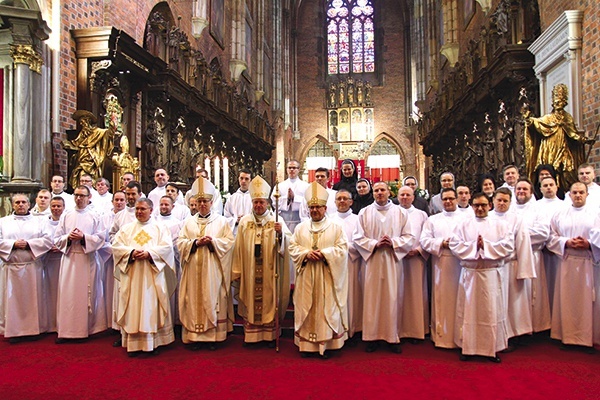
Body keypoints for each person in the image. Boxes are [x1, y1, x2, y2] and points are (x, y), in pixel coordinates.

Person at [449, 192, 515, 363]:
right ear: (471, 206)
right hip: (470, 274)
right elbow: (454, 244)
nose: (480, 208)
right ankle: (467, 347)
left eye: (483, 205)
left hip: (490, 274)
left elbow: (508, 245)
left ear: (490, 205)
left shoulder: (501, 225)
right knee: (468, 313)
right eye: (476, 205)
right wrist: (473, 247)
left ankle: (491, 348)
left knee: (491, 312)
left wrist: (485, 246)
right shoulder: (463, 224)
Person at [289, 181, 348, 358]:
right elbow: (293, 247)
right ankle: (306, 346)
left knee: (326, 308)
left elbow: (342, 249)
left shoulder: (336, 227)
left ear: (325, 208)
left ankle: (327, 344)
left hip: (326, 276)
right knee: (306, 305)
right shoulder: (301, 228)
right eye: (311, 207)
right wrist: (306, 254)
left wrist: (325, 254)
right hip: (307, 276)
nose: (314, 210)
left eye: (318, 207)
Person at [354, 181, 414, 354]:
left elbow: (409, 236)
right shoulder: (364, 213)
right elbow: (357, 237)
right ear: (373, 193)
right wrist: (374, 244)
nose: (379, 193)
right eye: (376, 190)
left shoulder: (401, 213)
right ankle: (371, 337)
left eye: (382, 190)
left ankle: (392, 337)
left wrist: (393, 242)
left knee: (393, 297)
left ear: (389, 192)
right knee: (371, 298)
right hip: (372, 261)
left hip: (392, 261)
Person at [231, 176, 291, 346]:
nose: (258, 206)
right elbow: (239, 247)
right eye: (255, 202)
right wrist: (237, 270)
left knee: (270, 299)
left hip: (270, 271)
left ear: (267, 203)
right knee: (250, 298)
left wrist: (281, 235)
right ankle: (252, 336)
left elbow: (289, 243)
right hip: (250, 270)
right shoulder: (245, 222)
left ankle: (270, 336)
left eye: (261, 202)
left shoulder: (276, 221)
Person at [112, 198, 176, 356]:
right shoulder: (126, 229)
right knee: (132, 305)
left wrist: (150, 254)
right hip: (132, 274)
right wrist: (131, 253)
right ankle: (133, 344)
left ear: (151, 210)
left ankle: (153, 342)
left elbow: (167, 248)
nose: (139, 212)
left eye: (143, 209)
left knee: (150, 306)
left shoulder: (160, 228)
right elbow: (117, 247)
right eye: (137, 209)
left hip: (152, 275)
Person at [177, 176, 235, 350]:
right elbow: (180, 243)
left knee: (213, 298)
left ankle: (213, 337)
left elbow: (229, 242)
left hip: (213, 269)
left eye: (206, 201)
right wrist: (194, 243)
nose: (202, 204)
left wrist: (213, 243)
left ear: (212, 202)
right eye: (200, 201)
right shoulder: (188, 223)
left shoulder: (221, 222)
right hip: (193, 268)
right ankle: (194, 336)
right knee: (193, 299)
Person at [546, 182, 600, 353]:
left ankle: (588, 338)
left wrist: (590, 244)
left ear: (587, 194)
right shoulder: (560, 214)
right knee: (567, 300)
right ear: (569, 195)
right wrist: (566, 242)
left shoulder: (596, 214)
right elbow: (551, 237)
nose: (578, 195)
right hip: (567, 262)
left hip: (588, 263)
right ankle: (567, 337)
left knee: (588, 302)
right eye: (575, 192)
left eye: (581, 192)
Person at [54, 185, 107, 342]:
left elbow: (101, 238)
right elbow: (57, 238)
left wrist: (84, 237)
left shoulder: (95, 216)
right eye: (76, 195)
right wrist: (68, 238)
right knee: (67, 295)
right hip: (70, 259)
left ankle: (86, 330)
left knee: (86, 295)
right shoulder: (66, 215)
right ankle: (66, 331)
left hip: (87, 259)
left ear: (89, 197)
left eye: (82, 195)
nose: (79, 198)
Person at [0, 194, 53, 342]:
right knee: (13, 301)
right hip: (11, 269)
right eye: (17, 202)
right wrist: (13, 245)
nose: (21, 205)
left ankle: (34, 329)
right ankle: (14, 331)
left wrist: (29, 244)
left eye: (23, 202)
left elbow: (48, 240)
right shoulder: (3, 222)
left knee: (34, 299)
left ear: (29, 204)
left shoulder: (40, 221)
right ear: (12, 205)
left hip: (32, 268)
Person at [524, 83, 594, 191]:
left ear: (564, 102)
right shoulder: (548, 118)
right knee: (550, 170)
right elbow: (537, 123)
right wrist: (529, 120)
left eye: (560, 101)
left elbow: (573, 134)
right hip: (549, 149)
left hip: (564, 148)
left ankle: (566, 190)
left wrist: (584, 140)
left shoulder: (567, 118)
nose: (557, 103)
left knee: (568, 170)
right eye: (556, 101)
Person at [490, 187, 536, 347]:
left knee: (513, 303)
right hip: (492, 267)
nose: (502, 203)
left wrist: (524, 270)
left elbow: (523, 244)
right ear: (493, 201)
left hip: (511, 266)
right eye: (499, 200)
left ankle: (513, 334)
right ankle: (496, 334)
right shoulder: (487, 218)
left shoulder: (517, 219)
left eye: (505, 201)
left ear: (511, 202)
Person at [420, 188, 464, 349]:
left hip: (463, 265)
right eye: (445, 199)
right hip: (441, 264)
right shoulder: (433, 220)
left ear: (457, 199)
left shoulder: (468, 217)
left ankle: (462, 337)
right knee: (442, 300)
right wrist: (441, 244)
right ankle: (442, 337)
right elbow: (424, 240)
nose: (448, 201)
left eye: (451, 198)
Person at [397, 186, 429, 342]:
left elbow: (426, 235)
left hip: (416, 259)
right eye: (401, 195)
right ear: (397, 196)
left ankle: (416, 330)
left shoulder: (421, 215)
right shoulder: (394, 213)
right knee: (398, 293)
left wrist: (417, 250)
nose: (404, 197)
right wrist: (400, 250)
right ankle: (397, 328)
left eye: (407, 195)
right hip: (397, 258)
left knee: (416, 294)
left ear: (413, 197)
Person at [332, 189, 362, 339]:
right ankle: (337, 329)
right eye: (339, 199)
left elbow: (361, 241)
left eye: (345, 199)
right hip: (333, 265)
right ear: (335, 202)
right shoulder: (329, 220)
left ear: (351, 202)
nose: (342, 201)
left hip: (352, 263)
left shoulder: (358, 219)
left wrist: (344, 248)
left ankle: (353, 328)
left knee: (352, 295)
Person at [62, 109, 117, 190]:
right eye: (80, 122)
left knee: (91, 179)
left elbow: (109, 133)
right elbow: (76, 143)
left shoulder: (97, 132)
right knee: (79, 177)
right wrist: (68, 144)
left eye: (82, 121)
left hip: (93, 160)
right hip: (82, 159)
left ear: (88, 121)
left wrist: (112, 124)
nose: (81, 123)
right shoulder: (83, 133)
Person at [44, 196, 66, 332]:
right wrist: (47, 247)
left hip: (64, 261)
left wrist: (61, 246)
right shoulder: (42, 222)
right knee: (49, 293)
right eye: (54, 206)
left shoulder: (67, 220)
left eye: (59, 206)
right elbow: (39, 238)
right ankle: (49, 323)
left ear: (64, 208)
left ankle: (61, 323)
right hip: (47, 262)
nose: (56, 209)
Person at [273, 160, 309, 233]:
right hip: (284, 220)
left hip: (299, 219)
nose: (291, 170)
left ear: (298, 169)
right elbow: (274, 203)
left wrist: (294, 198)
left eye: (294, 168)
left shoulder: (306, 186)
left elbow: (308, 203)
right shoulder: (279, 186)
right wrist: (287, 199)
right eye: (289, 168)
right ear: (286, 169)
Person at [224, 169, 253, 235]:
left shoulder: (254, 198)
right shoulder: (231, 198)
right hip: (236, 232)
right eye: (241, 178)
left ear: (250, 180)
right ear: (238, 179)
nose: (243, 181)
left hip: (250, 231)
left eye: (246, 179)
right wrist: (236, 220)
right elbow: (226, 217)